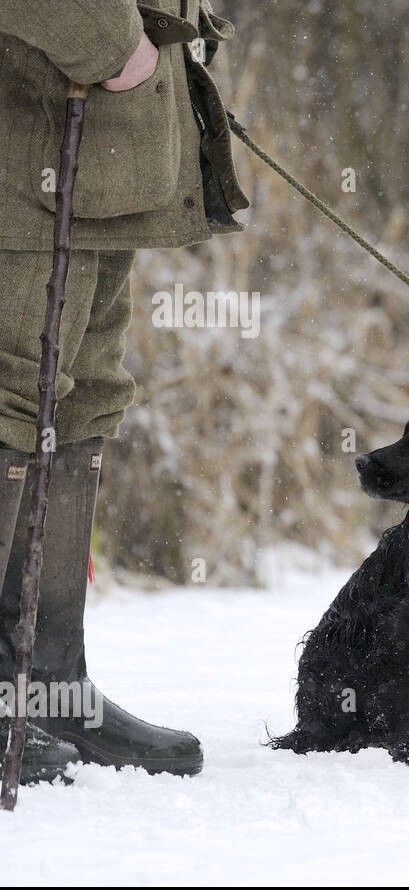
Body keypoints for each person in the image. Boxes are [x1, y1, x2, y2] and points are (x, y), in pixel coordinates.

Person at [0, 0, 248, 783]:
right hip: (29, 146)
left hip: (108, 158)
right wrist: (111, 40)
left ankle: (46, 684)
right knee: (10, 395)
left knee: (81, 400)